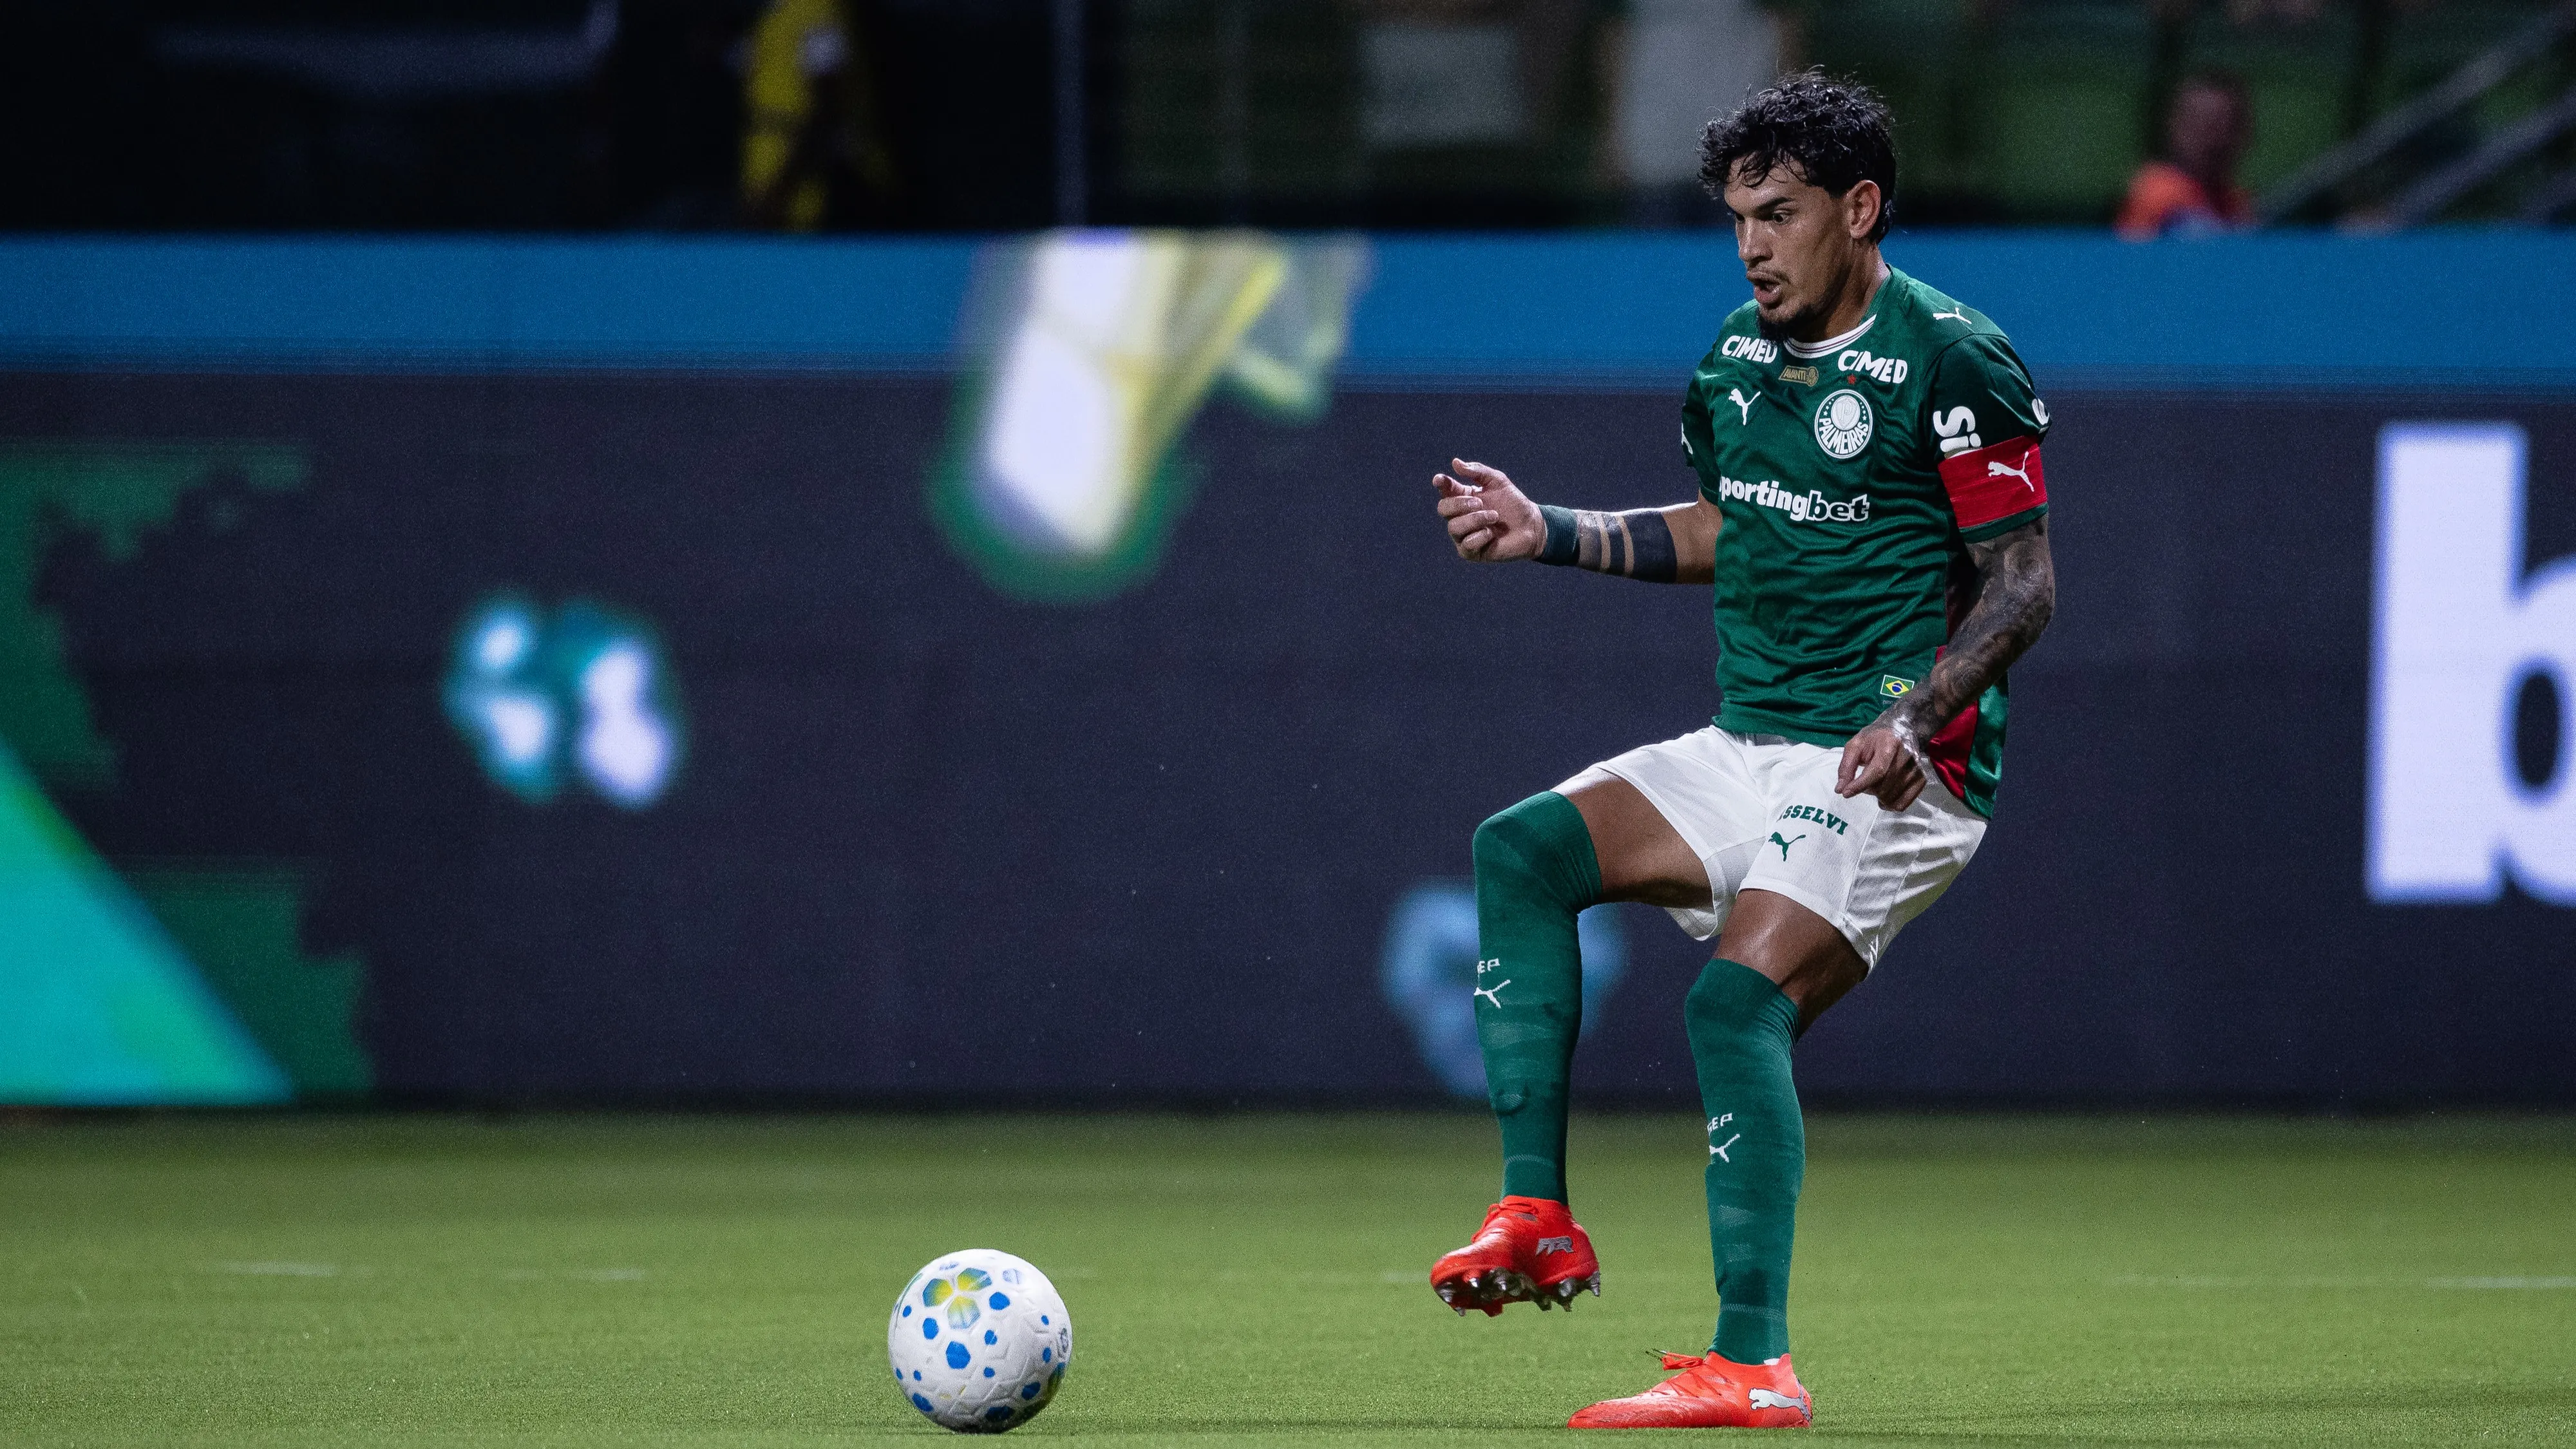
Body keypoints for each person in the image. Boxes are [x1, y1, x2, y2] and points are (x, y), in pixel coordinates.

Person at [1423, 71, 2057, 1430]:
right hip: (1748, 741)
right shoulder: (1729, 361)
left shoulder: (1953, 357)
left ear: (1858, 207)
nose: (1752, 246)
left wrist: (1911, 715)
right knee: (1518, 852)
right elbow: (1731, 529)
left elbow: (2023, 587)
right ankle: (1534, 1214)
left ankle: (1751, 1364)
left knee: (1730, 1005)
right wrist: (1551, 529)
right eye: (1735, 219)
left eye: (1776, 214)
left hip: (1893, 763)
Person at [2116, 71, 2254, 239]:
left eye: (2227, 127)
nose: (2216, 140)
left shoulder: (2234, 201)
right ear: (2174, 127)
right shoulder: (2157, 191)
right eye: (2204, 125)